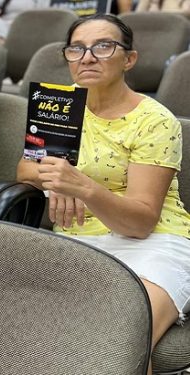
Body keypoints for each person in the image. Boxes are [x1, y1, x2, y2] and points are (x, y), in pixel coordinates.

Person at [16, 14, 190, 371]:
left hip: (154, 244)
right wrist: (56, 179)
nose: (87, 57)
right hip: (78, 239)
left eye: (103, 46)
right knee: (36, 339)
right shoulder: (59, 106)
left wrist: (83, 187)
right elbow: (25, 169)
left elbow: (141, 222)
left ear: (129, 59)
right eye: (77, 49)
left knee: (119, 346)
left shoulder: (156, 121)